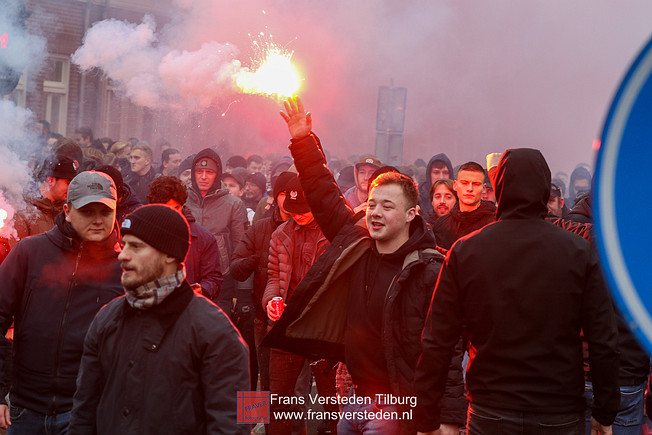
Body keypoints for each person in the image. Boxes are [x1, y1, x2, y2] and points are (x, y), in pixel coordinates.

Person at [264, 97, 465, 435]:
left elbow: (446, 352)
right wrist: (302, 140)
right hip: (356, 399)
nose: (375, 212)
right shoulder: (356, 248)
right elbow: (323, 192)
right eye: (371, 204)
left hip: (398, 405)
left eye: (387, 206)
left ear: (411, 215)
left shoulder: (430, 270)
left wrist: (447, 420)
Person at [414, 148, 620, 435]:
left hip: (491, 408)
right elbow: (603, 338)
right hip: (556, 408)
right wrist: (605, 410)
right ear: (543, 188)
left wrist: (426, 416)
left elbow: (437, 339)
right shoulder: (577, 251)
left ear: (498, 187)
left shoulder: (466, 250)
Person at [69, 205, 249, 434]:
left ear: (170, 254)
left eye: (136, 247)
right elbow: (83, 413)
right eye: (124, 245)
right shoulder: (107, 318)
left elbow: (232, 426)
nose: (123, 255)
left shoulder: (216, 331)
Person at [0, 171, 124, 434]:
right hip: (26, 409)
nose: (98, 220)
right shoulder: (30, 252)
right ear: (67, 211)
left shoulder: (125, 267)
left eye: (105, 211)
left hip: (86, 412)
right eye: (88, 211)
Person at [261, 177, 336, 435]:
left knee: (332, 402)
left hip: (322, 329)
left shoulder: (333, 232)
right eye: (293, 211)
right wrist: (271, 301)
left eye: (304, 210)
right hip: (285, 325)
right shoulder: (279, 234)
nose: (299, 216)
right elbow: (273, 277)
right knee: (279, 399)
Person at [230, 171, 295, 394]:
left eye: (294, 194)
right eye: (283, 193)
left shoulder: (308, 228)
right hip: (261, 315)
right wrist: (254, 261)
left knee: (292, 389)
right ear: (275, 196)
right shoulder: (260, 228)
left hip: (298, 318)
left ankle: (291, 428)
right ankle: (252, 425)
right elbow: (236, 267)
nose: (288, 199)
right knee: (258, 377)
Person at [185, 148, 247, 305]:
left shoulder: (233, 204)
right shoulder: (182, 199)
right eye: (199, 171)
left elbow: (240, 248)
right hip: (185, 276)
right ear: (193, 173)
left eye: (209, 172)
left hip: (221, 278)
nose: (204, 177)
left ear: (217, 174)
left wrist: (238, 291)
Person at [147, 176, 223, 300]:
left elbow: (213, 278)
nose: (172, 214)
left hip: (188, 308)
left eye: (176, 208)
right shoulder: (141, 234)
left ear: (183, 204)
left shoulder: (203, 238)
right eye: (166, 209)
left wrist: (202, 289)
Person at [10, 155, 77, 247]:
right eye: (68, 183)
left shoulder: (67, 211)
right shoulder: (24, 211)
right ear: (50, 180)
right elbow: (15, 254)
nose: (71, 188)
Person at [431, 162, 496, 251]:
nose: (470, 188)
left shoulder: (494, 222)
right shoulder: (441, 225)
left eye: (476, 184)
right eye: (464, 183)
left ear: (484, 188)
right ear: (455, 185)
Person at [418, 154, 454, 220]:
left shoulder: (459, 197)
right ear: (429, 175)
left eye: (445, 173)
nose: (441, 177)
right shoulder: (418, 198)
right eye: (436, 172)